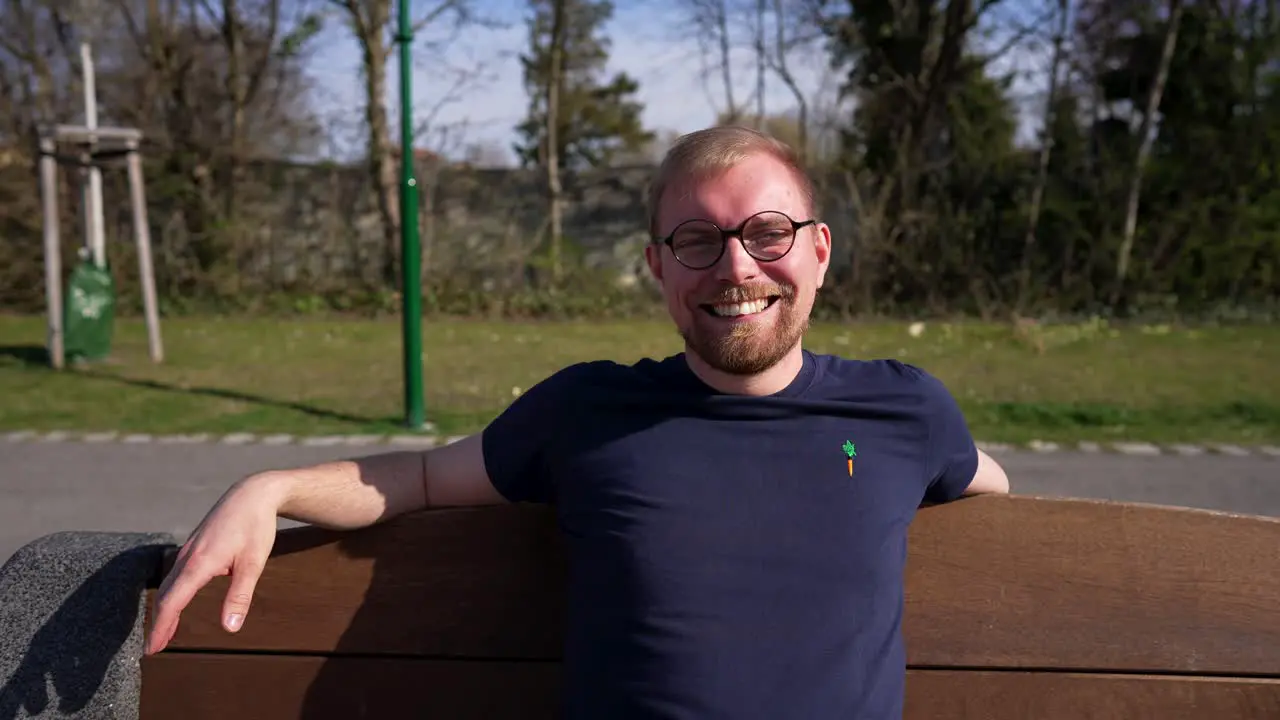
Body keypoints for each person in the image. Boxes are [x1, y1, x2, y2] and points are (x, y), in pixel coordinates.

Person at [145, 126, 1010, 719]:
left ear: (819, 251)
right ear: (657, 268)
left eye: (768, 232)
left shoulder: (904, 411)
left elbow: (991, 493)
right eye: (698, 241)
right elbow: (413, 478)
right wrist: (271, 489)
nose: (737, 266)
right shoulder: (587, 412)